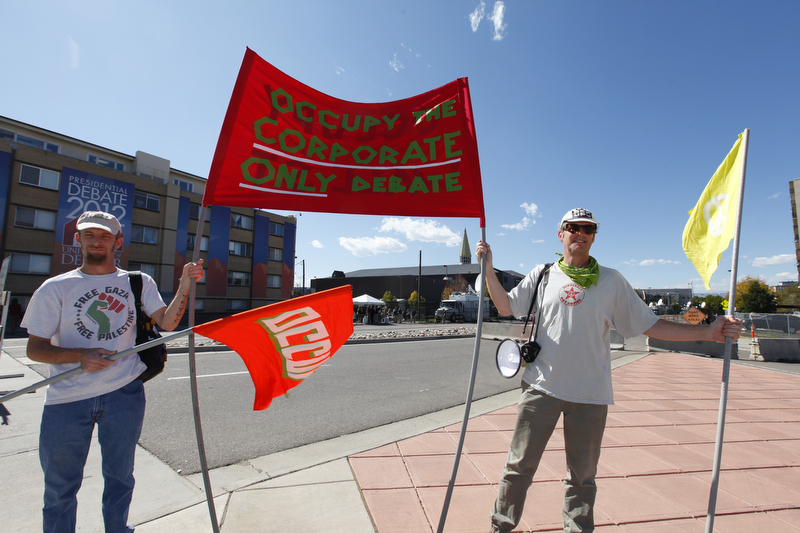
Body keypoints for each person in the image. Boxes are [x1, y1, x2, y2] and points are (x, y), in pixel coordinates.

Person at [477, 208, 742, 533]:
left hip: (590, 396)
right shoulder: (542, 275)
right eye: (573, 227)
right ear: (561, 234)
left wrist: (707, 333)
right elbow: (505, 307)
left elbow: (649, 324)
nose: (580, 233)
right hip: (540, 389)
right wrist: (489, 270)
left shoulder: (612, 281)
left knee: (583, 479)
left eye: (588, 228)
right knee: (518, 467)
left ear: (593, 236)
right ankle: (499, 527)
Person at [21, 211, 205, 533]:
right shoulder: (55, 288)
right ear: (78, 239)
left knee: (120, 478)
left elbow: (167, 323)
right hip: (66, 399)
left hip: (124, 393)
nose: (97, 241)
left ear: (117, 242)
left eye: (105, 236)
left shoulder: (137, 282)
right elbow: (34, 349)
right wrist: (80, 355)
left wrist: (184, 283)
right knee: (60, 487)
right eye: (90, 234)